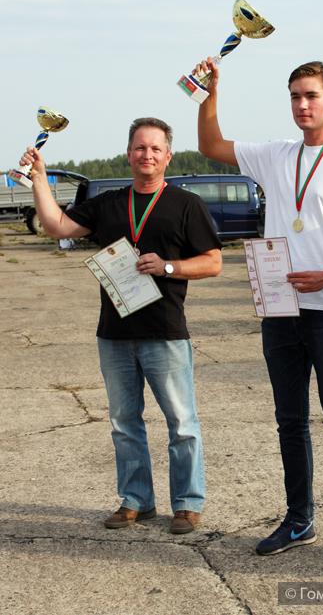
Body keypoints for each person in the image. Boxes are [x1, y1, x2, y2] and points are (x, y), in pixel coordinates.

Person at [196, 57, 323, 570]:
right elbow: (211, 146)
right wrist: (210, 93)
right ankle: (299, 519)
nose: (302, 105)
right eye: (295, 97)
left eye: (311, 96)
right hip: (280, 309)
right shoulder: (275, 154)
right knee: (290, 421)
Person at [19, 117, 222, 534]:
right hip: (114, 333)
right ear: (128, 153)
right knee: (124, 423)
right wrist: (39, 178)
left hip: (165, 331)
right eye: (139, 148)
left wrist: (168, 267)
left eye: (155, 148)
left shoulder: (186, 204)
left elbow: (213, 262)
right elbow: (57, 226)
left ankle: (187, 504)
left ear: (167, 156)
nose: (147, 155)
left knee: (182, 423)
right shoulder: (109, 203)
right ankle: (135, 500)